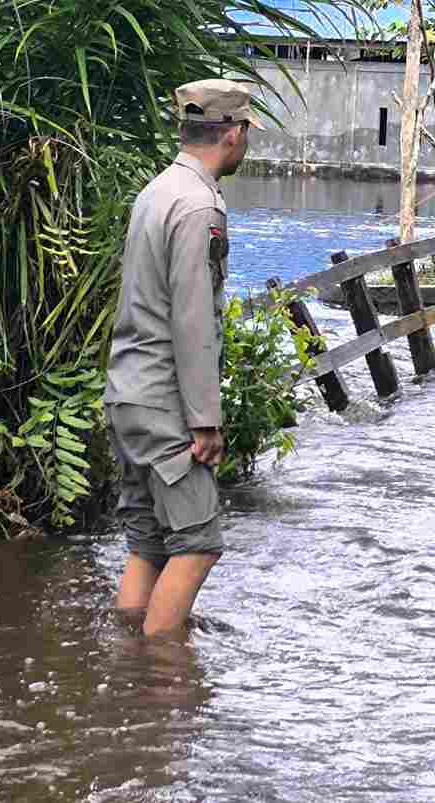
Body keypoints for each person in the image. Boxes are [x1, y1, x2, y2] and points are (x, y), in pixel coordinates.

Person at [103, 78, 262, 638]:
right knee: (198, 544)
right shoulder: (199, 206)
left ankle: (125, 658)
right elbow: (193, 319)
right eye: (248, 133)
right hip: (165, 402)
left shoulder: (157, 190)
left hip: (128, 392)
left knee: (148, 541)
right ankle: (159, 678)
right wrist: (205, 420)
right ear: (234, 133)